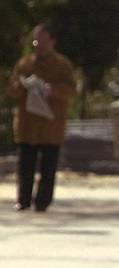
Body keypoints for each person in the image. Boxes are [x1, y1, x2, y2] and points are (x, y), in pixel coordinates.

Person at [6, 23, 76, 212]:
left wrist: (51, 90)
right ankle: (23, 200)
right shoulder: (25, 63)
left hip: (50, 126)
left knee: (48, 167)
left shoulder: (62, 65)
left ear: (52, 42)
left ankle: (43, 202)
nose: (39, 45)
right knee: (25, 166)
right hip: (27, 125)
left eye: (43, 41)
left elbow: (71, 90)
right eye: (37, 41)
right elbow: (12, 88)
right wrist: (22, 85)